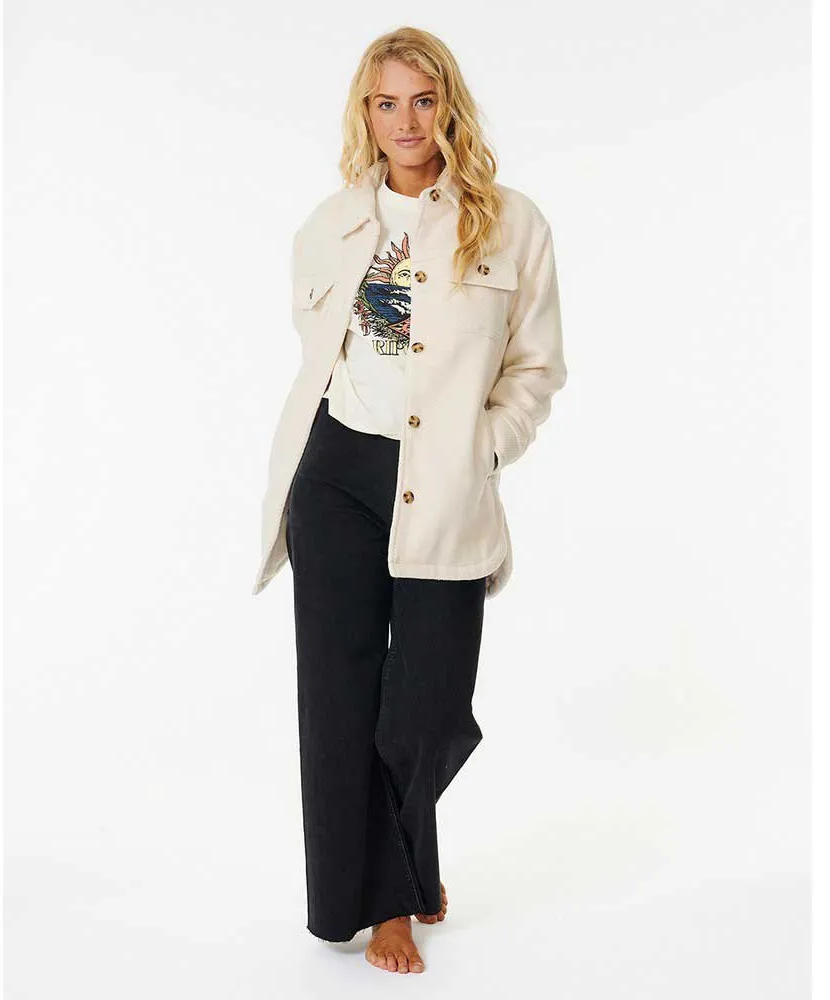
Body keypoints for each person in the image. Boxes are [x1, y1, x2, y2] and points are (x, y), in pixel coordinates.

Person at [252, 26, 567, 974]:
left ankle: (409, 860)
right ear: (366, 112)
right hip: (337, 475)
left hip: (445, 479)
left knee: (428, 704)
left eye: (423, 101)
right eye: (386, 103)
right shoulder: (329, 225)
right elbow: (323, 354)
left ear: (448, 107)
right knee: (340, 699)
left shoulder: (510, 223)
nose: (406, 121)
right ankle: (388, 904)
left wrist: (485, 447)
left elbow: (537, 368)